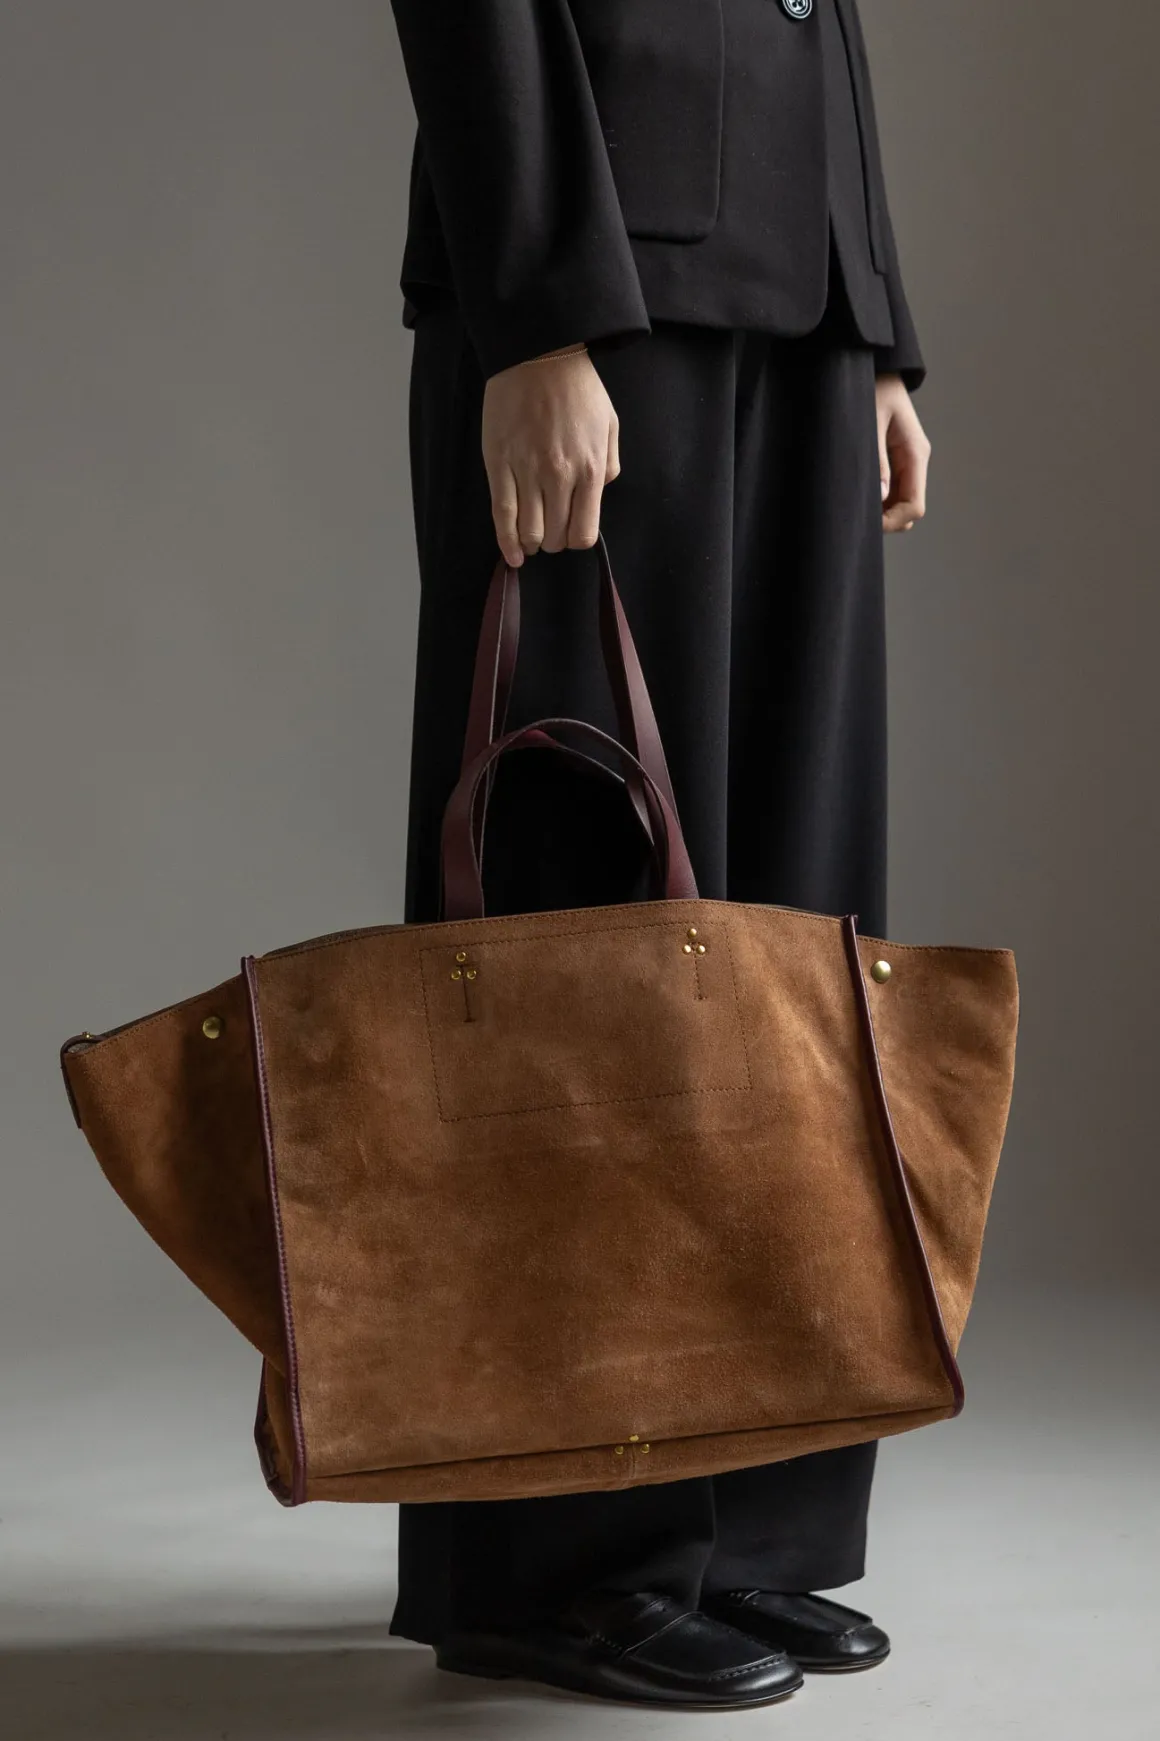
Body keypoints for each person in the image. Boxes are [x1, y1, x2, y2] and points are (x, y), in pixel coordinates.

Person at [385, 0, 932, 1711]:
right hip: (600, 282)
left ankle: (746, 1517)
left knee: (795, 928)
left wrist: (875, 317)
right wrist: (533, 316)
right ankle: (553, 1557)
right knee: (581, 914)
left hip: (802, 284)